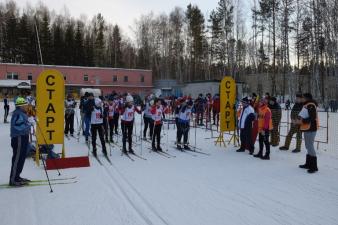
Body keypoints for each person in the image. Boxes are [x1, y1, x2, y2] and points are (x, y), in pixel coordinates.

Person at [294, 93, 319, 173]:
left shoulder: (311, 105)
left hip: (311, 128)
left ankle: (314, 166)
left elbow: (312, 117)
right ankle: (308, 163)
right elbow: (303, 115)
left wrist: (302, 121)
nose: (302, 99)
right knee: (308, 146)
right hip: (307, 128)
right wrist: (297, 121)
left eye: (303, 98)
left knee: (310, 146)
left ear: (307, 98)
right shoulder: (307, 105)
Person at [9, 97, 31, 186]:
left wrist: (29, 122)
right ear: (21, 106)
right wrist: (29, 125)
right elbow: (17, 127)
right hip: (19, 138)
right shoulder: (18, 114)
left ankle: (17, 176)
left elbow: (23, 124)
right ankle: (13, 179)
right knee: (17, 159)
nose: (27, 106)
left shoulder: (22, 113)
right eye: (25, 105)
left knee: (21, 158)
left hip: (23, 138)